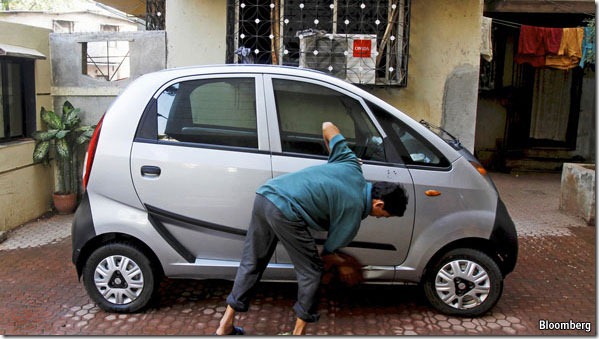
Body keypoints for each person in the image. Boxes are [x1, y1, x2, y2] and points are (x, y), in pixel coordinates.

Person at [215, 122, 408, 335]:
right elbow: (326, 256)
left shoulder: (350, 163)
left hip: (266, 195)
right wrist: (344, 264)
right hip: (286, 211)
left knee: (252, 262)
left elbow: (328, 126)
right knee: (311, 272)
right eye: (383, 216)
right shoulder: (353, 215)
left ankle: (225, 325)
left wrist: (332, 160)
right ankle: (299, 333)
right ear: (378, 204)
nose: (379, 218)